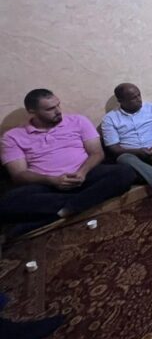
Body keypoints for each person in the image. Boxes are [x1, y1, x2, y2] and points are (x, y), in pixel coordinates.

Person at [0, 89, 136, 236]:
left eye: (58, 105)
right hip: (47, 185)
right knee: (9, 202)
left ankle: (60, 213)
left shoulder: (78, 121)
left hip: (85, 175)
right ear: (32, 112)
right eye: (50, 109)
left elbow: (97, 153)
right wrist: (52, 180)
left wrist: (82, 172)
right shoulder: (12, 137)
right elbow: (19, 174)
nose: (58, 111)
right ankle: (77, 205)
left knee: (125, 172)